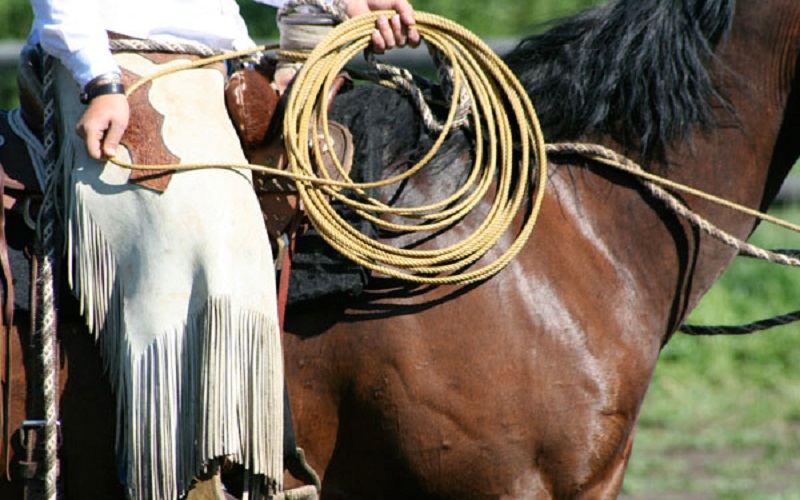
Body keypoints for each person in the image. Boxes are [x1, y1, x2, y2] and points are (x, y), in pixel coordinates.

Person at [23, 1, 418, 499]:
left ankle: (261, 452)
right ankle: (179, 478)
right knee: (203, 230)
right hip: (111, 57)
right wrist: (98, 79)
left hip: (213, 67)